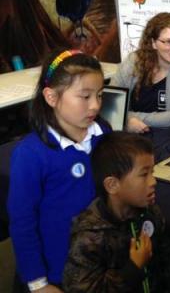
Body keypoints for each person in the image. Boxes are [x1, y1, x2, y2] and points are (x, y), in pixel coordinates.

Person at [8, 49, 110, 292]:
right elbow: (22, 222)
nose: (95, 105)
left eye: (100, 95)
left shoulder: (103, 133)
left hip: (98, 263)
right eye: (84, 96)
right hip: (58, 272)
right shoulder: (30, 154)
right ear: (51, 97)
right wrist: (38, 283)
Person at [63, 132, 170, 292]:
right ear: (112, 185)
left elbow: (165, 265)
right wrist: (133, 269)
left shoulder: (151, 213)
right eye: (144, 174)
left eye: (153, 172)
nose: (153, 181)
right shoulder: (89, 237)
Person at [111, 12, 170, 133]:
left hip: (168, 134)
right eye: (168, 41)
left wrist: (128, 117)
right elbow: (112, 102)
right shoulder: (134, 61)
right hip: (131, 132)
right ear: (153, 43)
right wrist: (127, 122)